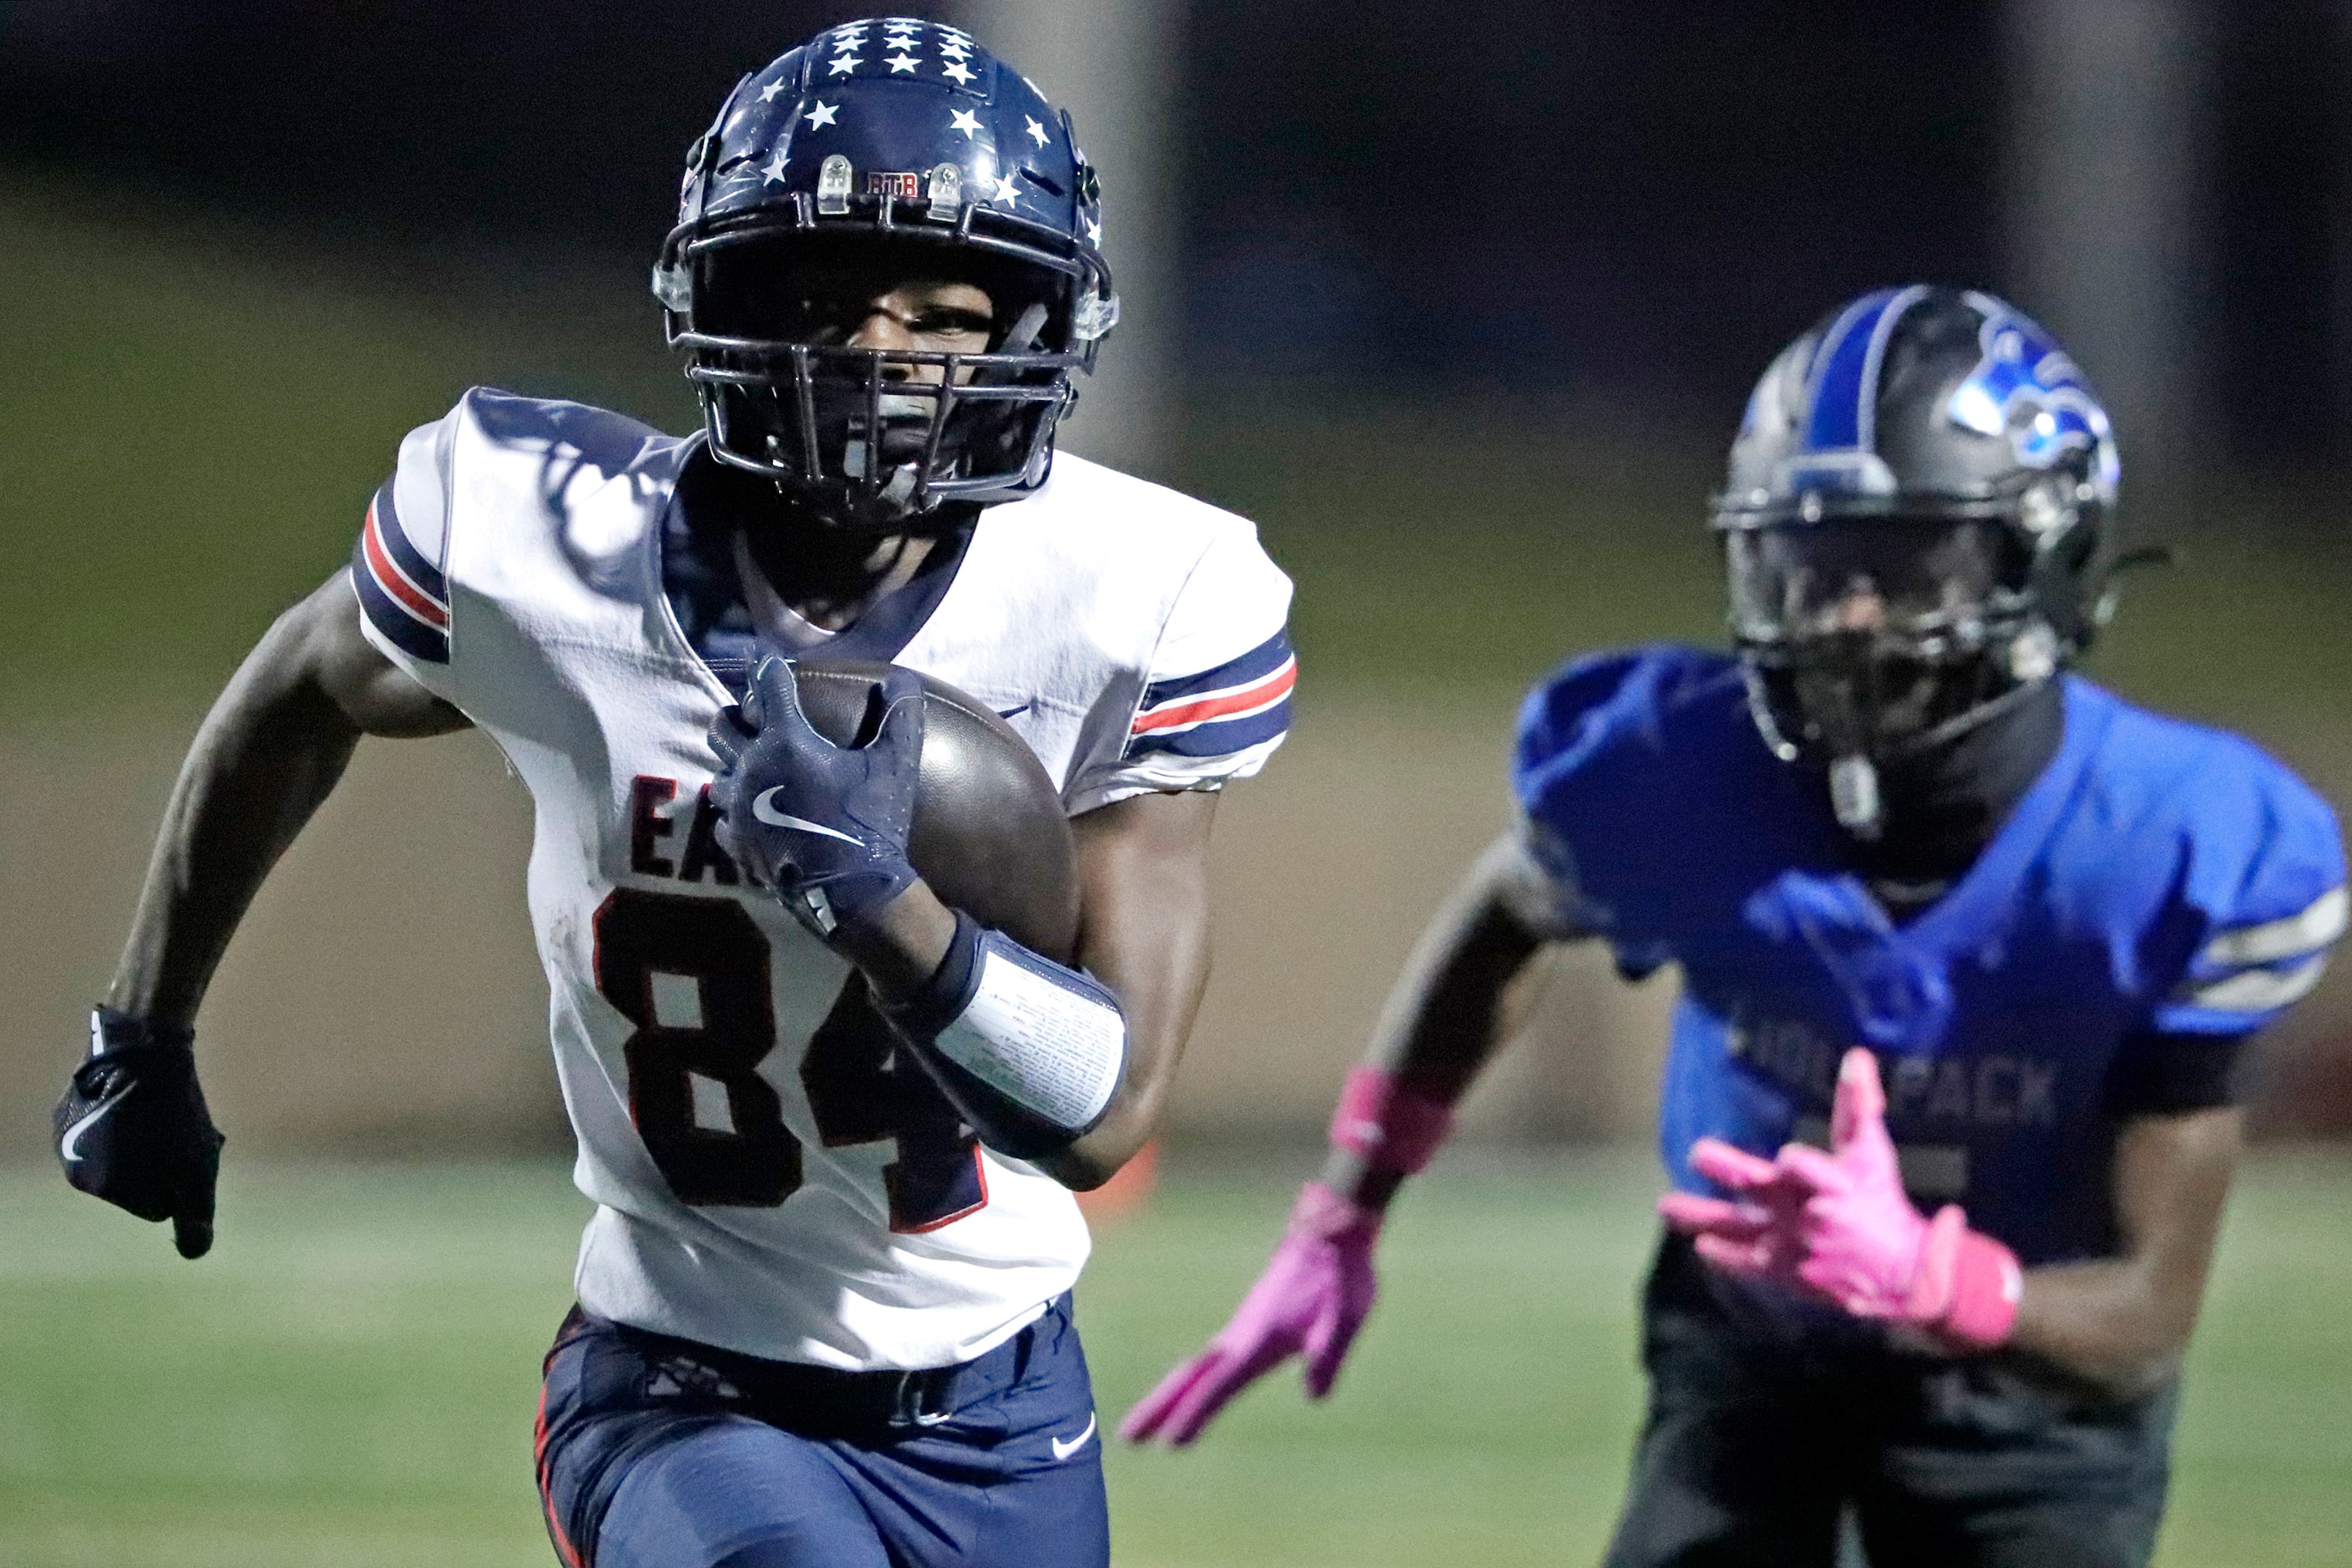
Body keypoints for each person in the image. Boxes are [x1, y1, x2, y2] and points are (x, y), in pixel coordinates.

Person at [54, 20, 1296, 1568]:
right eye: (830, 296)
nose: (886, 351)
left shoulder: (1136, 600)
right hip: (683, 1386)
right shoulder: (536, 545)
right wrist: (144, 1030)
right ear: (726, 299)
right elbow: (298, 690)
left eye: (948, 310)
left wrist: (876, 900)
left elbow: (1102, 1113)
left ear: (1034, 329)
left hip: (1000, 1408)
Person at [1122, 286, 2344, 1567]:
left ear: (2043, 559)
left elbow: (2146, 1311)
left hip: (2029, 1369)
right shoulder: (1667, 766)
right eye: (1809, 566)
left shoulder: (2183, 844)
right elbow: (1506, 912)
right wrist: (1346, 1206)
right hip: (1753, 1337)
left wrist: (1935, 1280)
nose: (1843, 617)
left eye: (1902, 566)